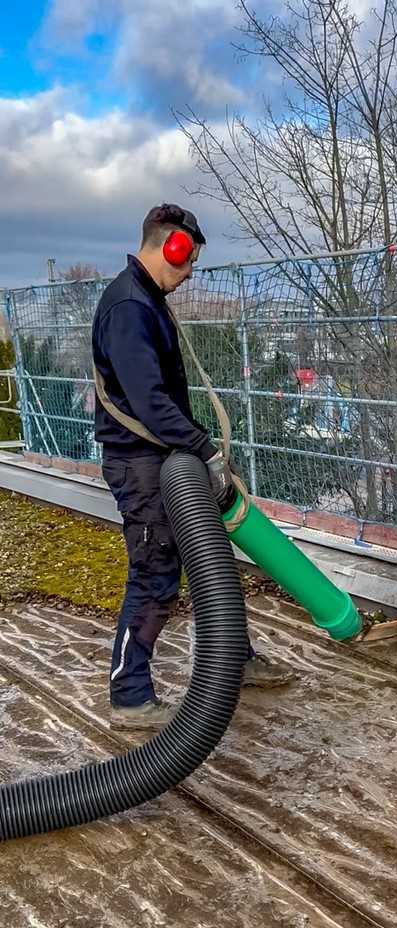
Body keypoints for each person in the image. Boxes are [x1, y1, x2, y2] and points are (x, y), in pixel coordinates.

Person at [93, 202, 293, 729]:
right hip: (140, 463)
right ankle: (129, 693)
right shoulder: (129, 308)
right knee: (155, 574)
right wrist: (204, 446)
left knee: (210, 562)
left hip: (166, 459)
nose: (188, 276)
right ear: (170, 247)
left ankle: (235, 660)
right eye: (187, 263)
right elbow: (149, 402)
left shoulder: (147, 301)